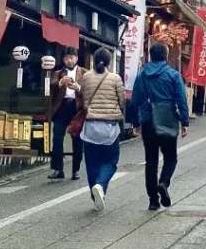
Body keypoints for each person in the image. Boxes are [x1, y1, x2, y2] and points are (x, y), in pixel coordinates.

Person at [127, 42, 190, 211]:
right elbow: (181, 99)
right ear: (166, 55)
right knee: (170, 157)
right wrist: (184, 121)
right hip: (168, 118)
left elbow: (134, 101)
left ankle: (153, 200)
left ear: (150, 55)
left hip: (148, 121)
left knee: (151, 161)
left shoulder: (142, 75)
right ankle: (164, 182)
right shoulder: (173, 75)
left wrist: (135, 122)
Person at [78, 48, 126, 211]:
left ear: (94, 59)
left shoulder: (85, 77)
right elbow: (122, 101)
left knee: (92, 163)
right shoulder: (115, 79)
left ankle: (95, 194)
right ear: (109, 62)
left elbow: (83, 98)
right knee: (110, 162)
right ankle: (100, 184)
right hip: (109, 127)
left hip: (90, 126)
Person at [48, 48, 85, 181]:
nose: (70, 60)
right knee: (57, 138)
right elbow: (50, 86)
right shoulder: (58, 73)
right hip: (61, 107)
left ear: (76, 58)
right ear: (63, 60)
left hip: (77, 108)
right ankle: (58, 169)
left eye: (72, 57)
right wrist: (60, 83)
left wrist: (78, 88)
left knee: (78, 140)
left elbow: (89, 90)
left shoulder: (84, 73)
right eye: (67, 58)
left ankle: (76, 170)